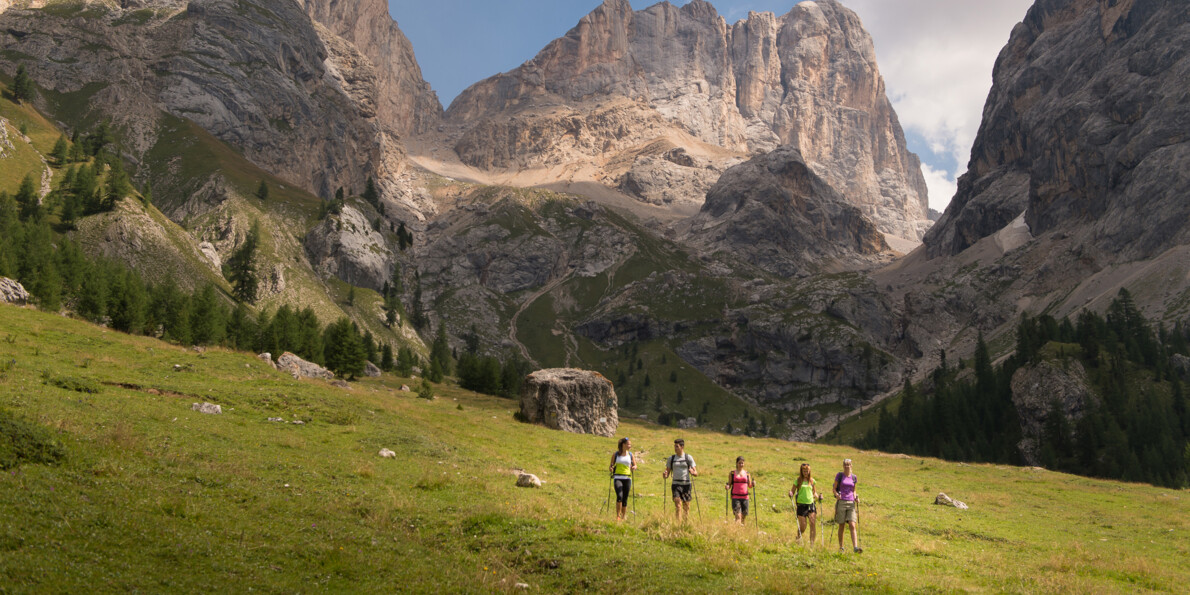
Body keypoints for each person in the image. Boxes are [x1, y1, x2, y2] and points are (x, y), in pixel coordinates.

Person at [662, 438, 698, 521]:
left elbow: (696, 473)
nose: (675, 448)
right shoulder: (671, 458)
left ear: (682, 447)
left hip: (686, 484)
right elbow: (666, 473)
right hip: (676, 484)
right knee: (678, 505)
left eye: (677, 446)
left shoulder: (688, 457)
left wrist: (693, 472)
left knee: (686, 506)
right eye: (674, 446)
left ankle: (685, 523)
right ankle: (678, 523)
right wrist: (665, 474)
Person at [787, 462, 821, 546]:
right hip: (801, 505)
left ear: (809, 471)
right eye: (804, 471)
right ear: (801, 471)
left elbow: (814, 492)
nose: (806, 473)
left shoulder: (812, 481)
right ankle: (798, 536)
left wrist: (818, 497)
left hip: (811, 504)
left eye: (807, 471)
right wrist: (790, 493)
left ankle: (812, 545)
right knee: (803, 526)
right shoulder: (798, 481)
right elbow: (792, 491)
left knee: (812, 523)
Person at [833, 458, 862, 553]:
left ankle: (855, 547)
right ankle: (841, 547)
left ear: (851, 466)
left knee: (852, 524)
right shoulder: (839, 475)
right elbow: (834, 489)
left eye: (848, 465)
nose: (846, 466)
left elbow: (854, 490)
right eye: (845, 465)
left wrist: (856, 498)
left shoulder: (854, 477)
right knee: (841, 525)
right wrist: (837, 495)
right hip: (841, 502)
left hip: (851, 503)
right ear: (843, 466)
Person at [608, 437, 636, 521]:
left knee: (625, 498)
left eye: (630, 444)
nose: (630, 446)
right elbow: (611, 465)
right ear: (623, 445)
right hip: (618, 477)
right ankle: (618, 516)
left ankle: (623, 516)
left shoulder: (630, 455)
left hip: (627, 478)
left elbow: (635, 465)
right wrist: (611, 468)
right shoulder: (615, 454)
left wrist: (634, 467)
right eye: (628, 444)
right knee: (619, 496)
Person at [725, 456, 754, 524]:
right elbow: (729, 484)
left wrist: (753, 484)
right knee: (738, 516)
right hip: (735, 497)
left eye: (742, 463)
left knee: (743, 517)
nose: (741, 465)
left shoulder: (747, 473)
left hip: (745, 497)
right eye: (739, 463)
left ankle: (740, 532)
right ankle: (736, 531)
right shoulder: (732, 473)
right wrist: (727, 486)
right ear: (736, 463)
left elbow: (750, 485)